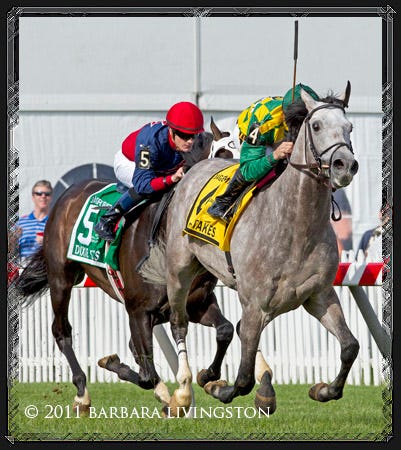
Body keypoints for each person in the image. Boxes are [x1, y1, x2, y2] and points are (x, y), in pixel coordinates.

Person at [207, 83, 320, 221]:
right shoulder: (263, 124)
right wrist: (275, 155)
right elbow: (248, 169)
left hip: (277, 133)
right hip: (249, 134)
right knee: (270, 166)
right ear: (286, 115)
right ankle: (223, 202)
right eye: (297, 123)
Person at [95, 101, 204, 242]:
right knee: (149, 190)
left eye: (193, 136)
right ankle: (107, 220)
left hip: (161, 167)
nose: (190, 141)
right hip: (130, 163)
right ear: (171, 131)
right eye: (184, 136)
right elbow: (143, 184)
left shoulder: (196, 142)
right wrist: (171, 179)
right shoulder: (150, 141)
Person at [13, 180, 53, 262]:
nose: (43, 196)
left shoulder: (54, 223)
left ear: (51, 197)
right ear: (33, 197)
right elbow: (11, 251)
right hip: (23, 266)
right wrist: (13, 239)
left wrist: (47, 243)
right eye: (39, 193)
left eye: (47, 194)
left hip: (44, 266)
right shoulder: (21, 222)